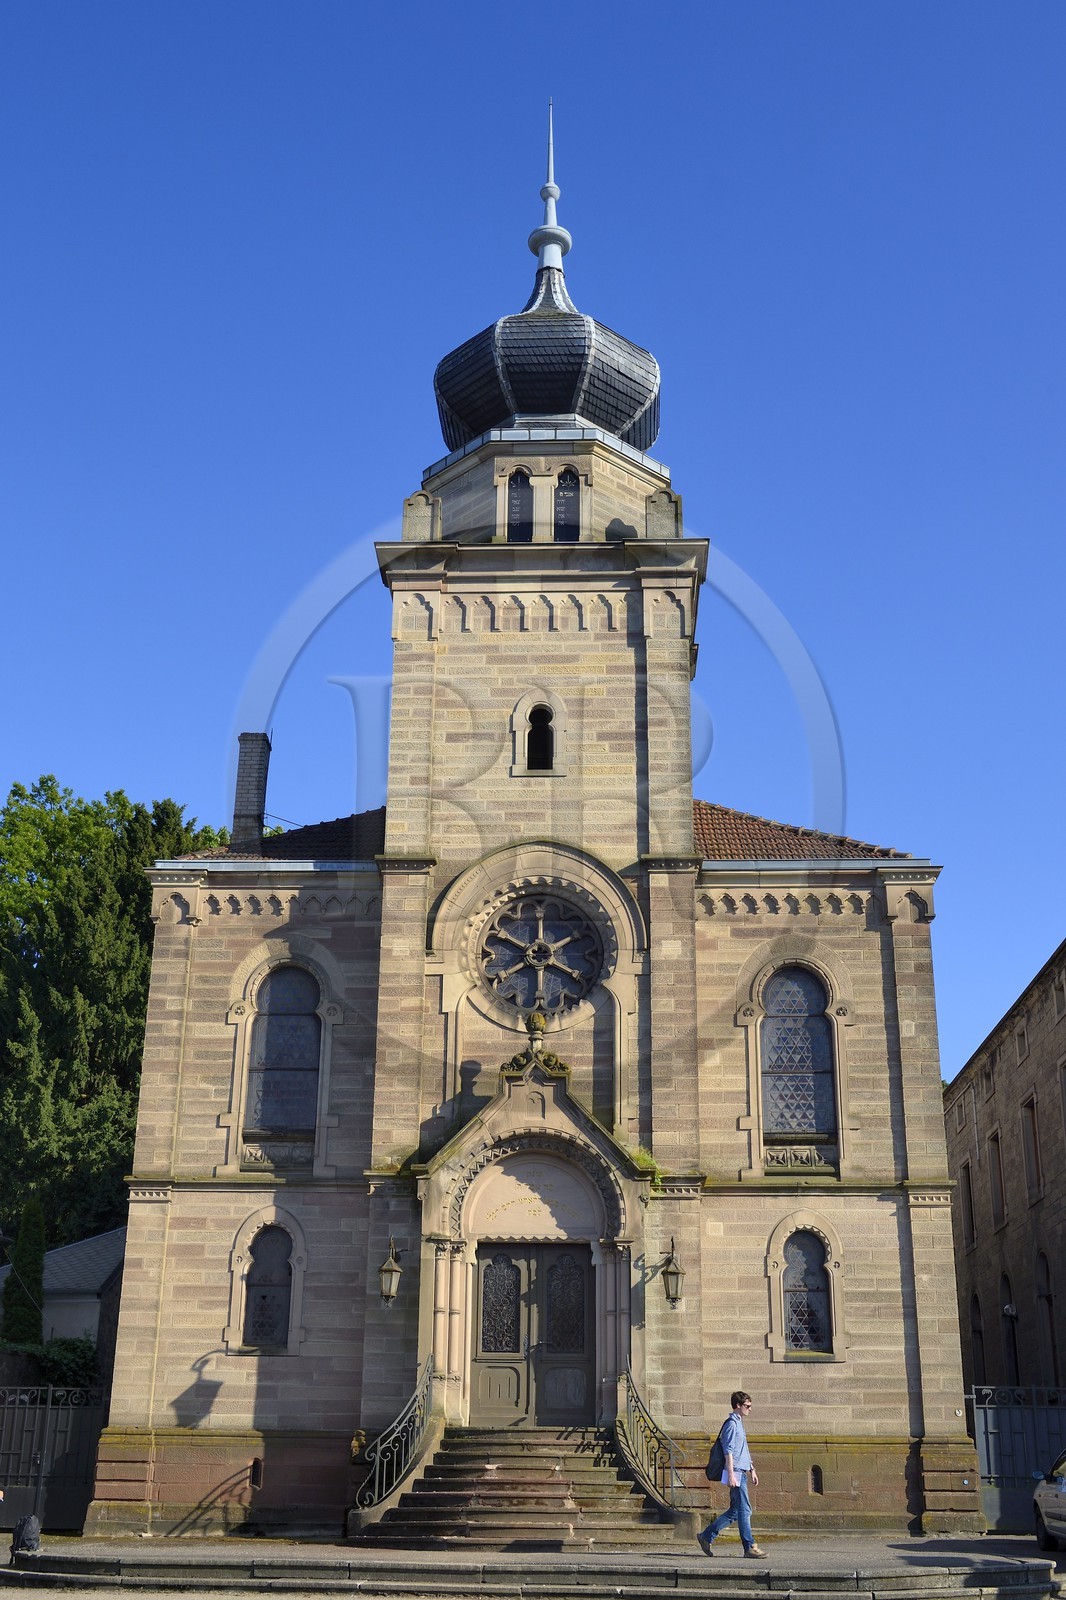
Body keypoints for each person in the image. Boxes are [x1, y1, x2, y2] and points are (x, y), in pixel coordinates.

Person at [697, 1390, 766, 1558]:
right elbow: (728, 1451)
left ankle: (706, 1536)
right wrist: (730, 1474)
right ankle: (749, 1546)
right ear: (738, 1405)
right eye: (747, 1406)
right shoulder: (731, 1424)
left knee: (736, 1511)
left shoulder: (739, 1423)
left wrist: (752, 1468)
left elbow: (743, 1449)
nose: (750, 1409)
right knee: (745, 1510)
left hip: (741, 1470)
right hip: (735, 1472)